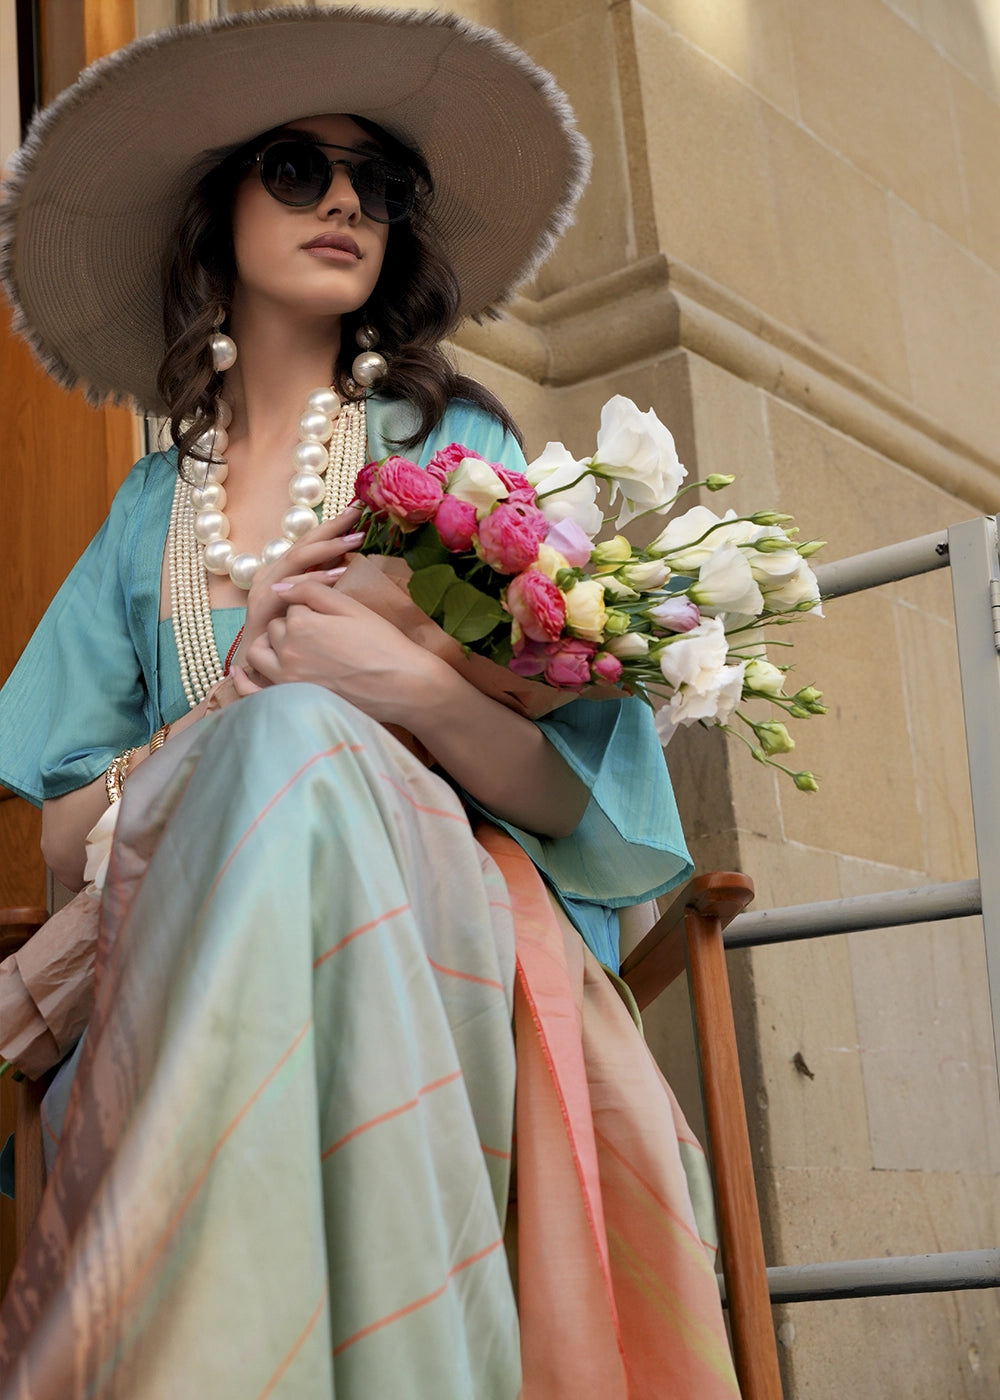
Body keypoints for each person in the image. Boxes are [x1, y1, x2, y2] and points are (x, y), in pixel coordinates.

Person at [0, 8, 740, 1397]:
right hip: (184, 934)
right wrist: (238, 698)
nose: (344, 202)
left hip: (436, 923)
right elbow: (59, 842)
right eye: (297, 169)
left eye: (377, 184)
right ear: (216, 215)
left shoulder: (459, 453)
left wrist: (398, 687)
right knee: (278, 732)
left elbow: (577, 800)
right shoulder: (147, 514)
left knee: (301, 734)